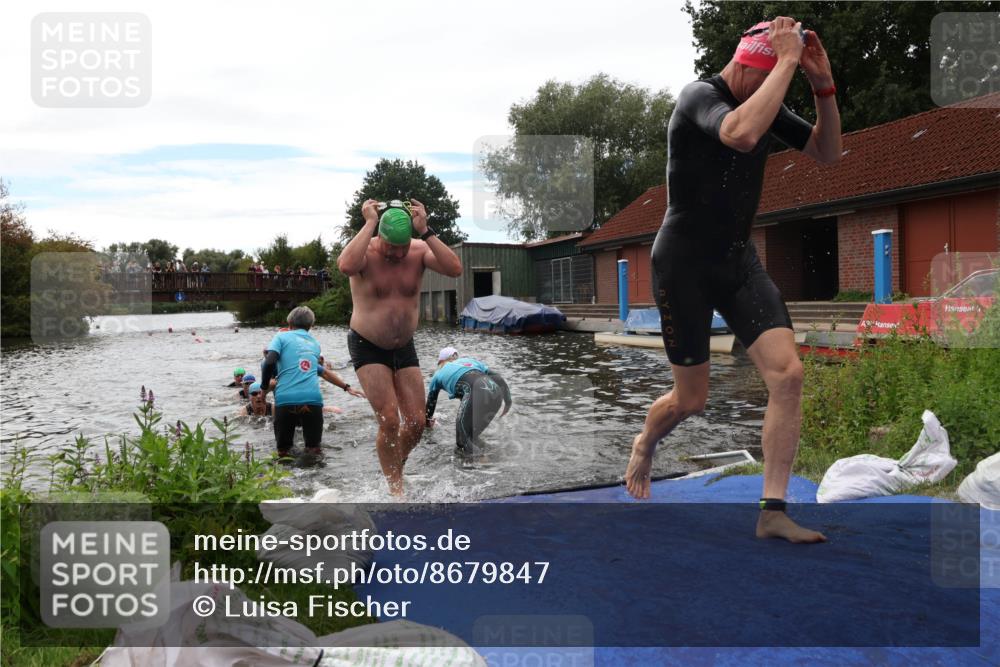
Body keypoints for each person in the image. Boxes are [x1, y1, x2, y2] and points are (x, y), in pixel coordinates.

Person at [624, 17, 841, 543]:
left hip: (737, 261)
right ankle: (644, 443)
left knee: (787, 375)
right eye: (767, 75)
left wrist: (822, 85)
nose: (771, 89)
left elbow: (828, 152)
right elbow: (740, 133)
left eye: (778, 78)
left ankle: (772, 510)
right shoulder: (699, 95)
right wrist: (787, 61)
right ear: (745, 62)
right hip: (683, 266)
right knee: (690, 401)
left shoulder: (769, 99)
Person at [338, 198, 462, 495]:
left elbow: (455, 269)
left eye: (401, 246)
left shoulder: (419, 250)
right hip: (367, 344)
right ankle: (396, 489)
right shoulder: (366, 252)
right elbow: (345, 265)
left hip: (404, 346)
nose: (395, 253)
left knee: (418, 422)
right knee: (390, 419)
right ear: (380, 236)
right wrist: (369, 222)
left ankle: (395, 464)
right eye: (390, 246)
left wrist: (427, 231)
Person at [260, 306, 365, 459]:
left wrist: (263, 388)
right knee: (314, 451)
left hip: (286, 400)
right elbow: (323, 372)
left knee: (283, 452)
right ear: (311, 326)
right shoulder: (315, 344)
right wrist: (346, 387)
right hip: (312, 401)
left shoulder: (281, 337)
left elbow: (269, 362)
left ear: (289, 323)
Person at [425, 347, 512, 454]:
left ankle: (483, 463)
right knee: (471, 436)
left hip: (475, 390)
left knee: (462, 441)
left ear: (440, 362)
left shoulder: (437, 375)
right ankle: (490, 457)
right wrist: (508, 402)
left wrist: (427, 422)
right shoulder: (470, 361)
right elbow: (497, 377)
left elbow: (430, 405)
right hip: (496, 394)